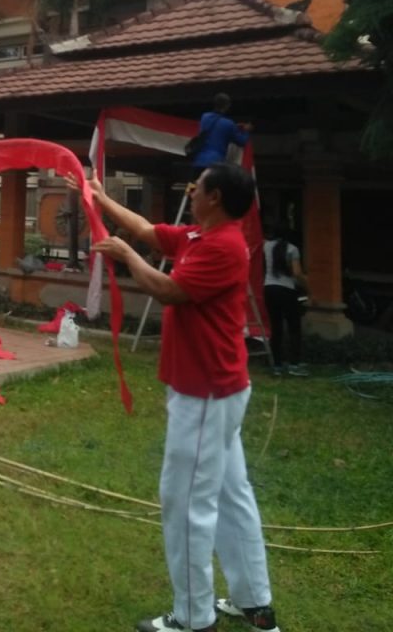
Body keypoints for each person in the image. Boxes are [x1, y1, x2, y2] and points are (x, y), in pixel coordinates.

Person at [67, 162, 279, 632]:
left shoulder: (223, 246)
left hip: (204, 393)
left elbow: (169, 290)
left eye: (195, 187)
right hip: (217, 390)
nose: (190, 192)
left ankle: (193, 616)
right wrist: (99, 196)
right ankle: (255, 603)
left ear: (214, 197)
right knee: (231, 495)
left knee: (185, 502)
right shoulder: (200, 236)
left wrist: (127, 255)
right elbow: (147, 230)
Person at [263, 226, 309, 376]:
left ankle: (277, 365)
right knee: (294, 327)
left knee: (276, 327)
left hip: (269, 289)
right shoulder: (292, 249)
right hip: (287, 290)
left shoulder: (266, 246)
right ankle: (294, 364)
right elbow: (297, 273)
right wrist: (308, 286)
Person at [190, 93, 252, 172]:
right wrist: (246, 131)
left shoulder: (204, 117)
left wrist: (235, 127)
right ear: (227, 106)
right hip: (216, 164)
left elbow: (216, 128)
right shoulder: (229, 124)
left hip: (199, 161)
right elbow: (241, 141)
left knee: (197, 180)